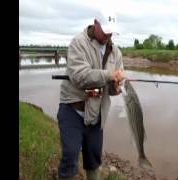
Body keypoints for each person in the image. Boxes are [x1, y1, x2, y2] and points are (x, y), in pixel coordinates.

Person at [57, 11, 124, 180]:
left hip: (97, 114)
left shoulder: (116, 52)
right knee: (70, 155)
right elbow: (80, 76)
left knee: (93, 159)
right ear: (96, 23)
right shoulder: (78, 43)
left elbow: (114, 90)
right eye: (105, 30)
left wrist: (116, 86)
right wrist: (109, 75)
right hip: (72, 109)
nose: (108, 34)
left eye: (112, 31)